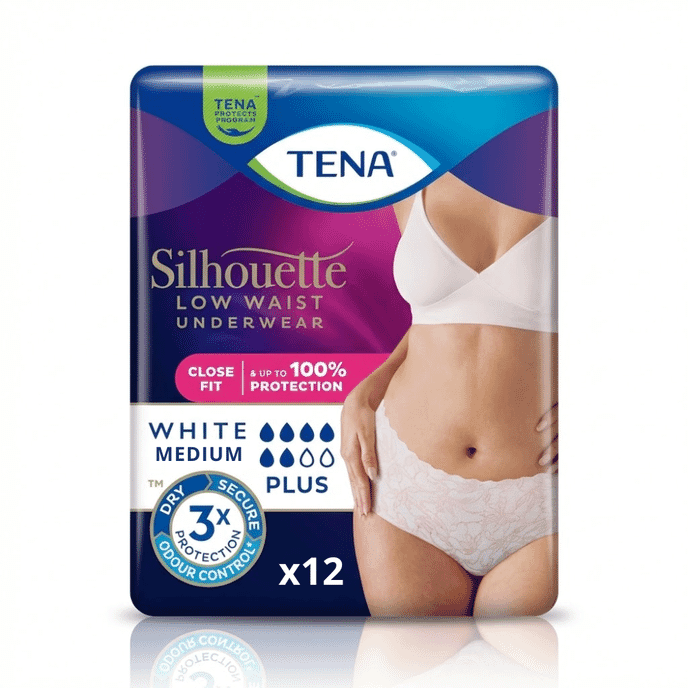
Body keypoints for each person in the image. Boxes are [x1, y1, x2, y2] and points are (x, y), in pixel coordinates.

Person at [342, 172, 558, 616]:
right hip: (403, 484)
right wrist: (365, 391)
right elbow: (436, 317)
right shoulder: (410, 174)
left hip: (546, 492)